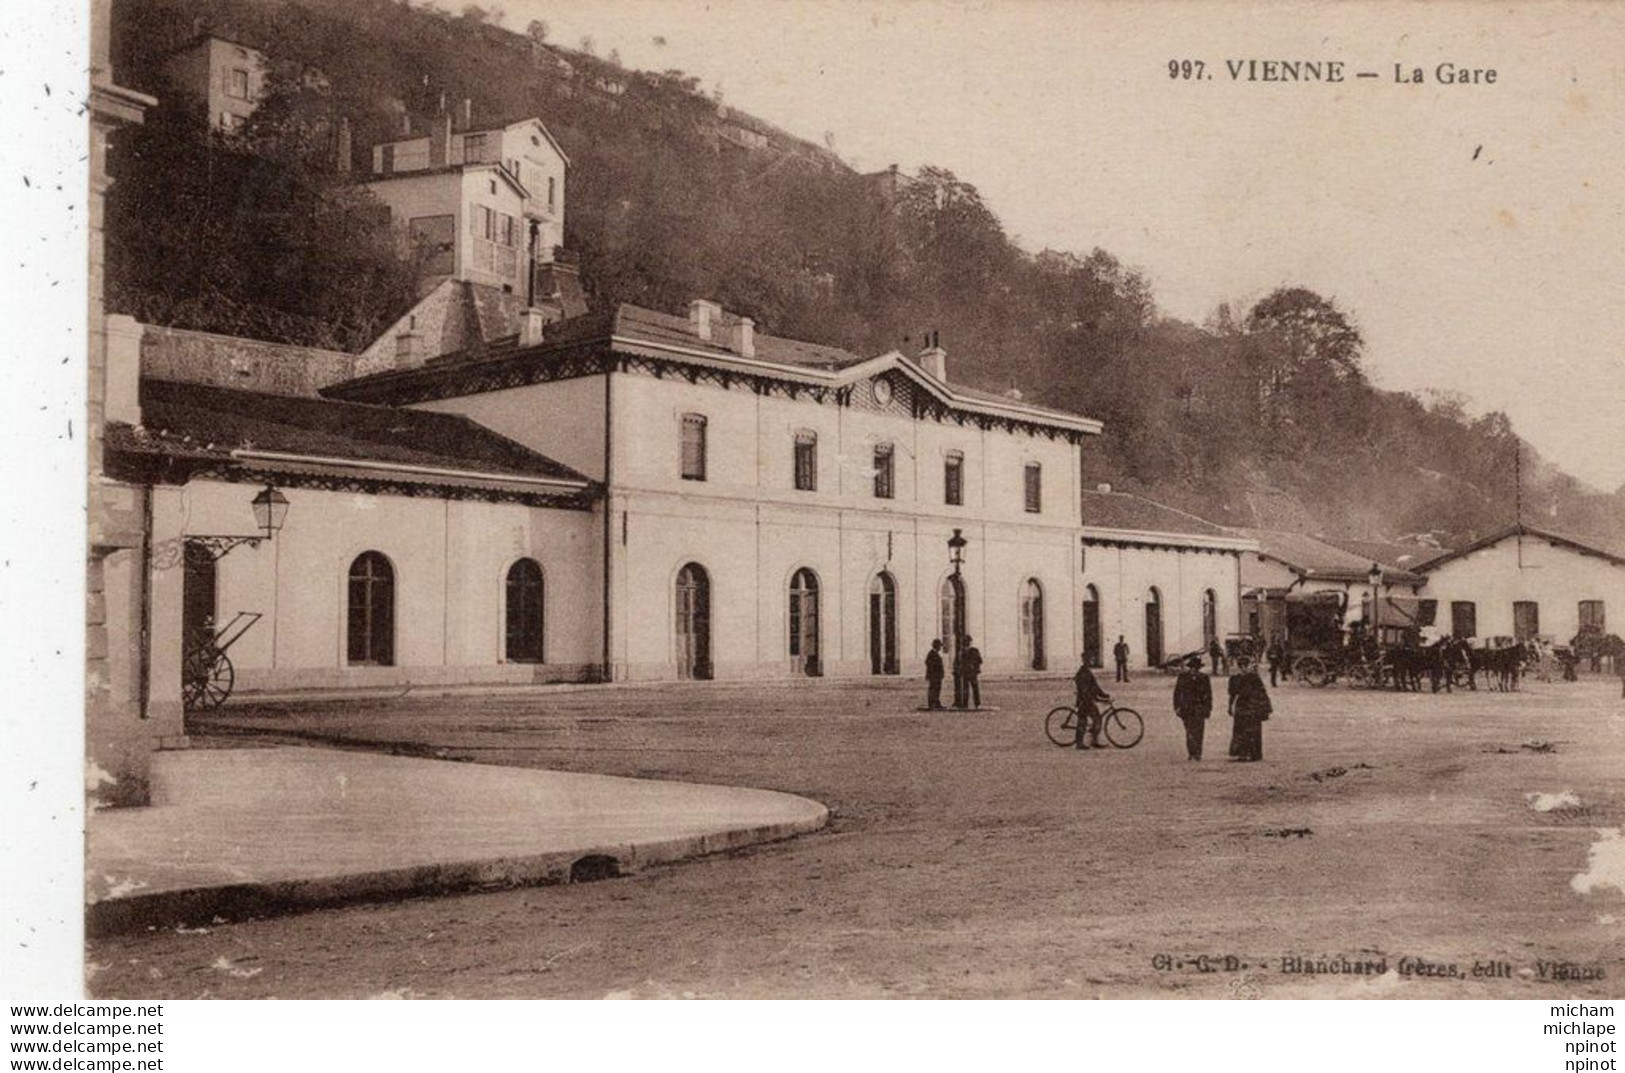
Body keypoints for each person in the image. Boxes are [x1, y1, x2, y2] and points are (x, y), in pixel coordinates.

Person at [1227, 655, 1272, 762]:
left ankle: (1254, 753)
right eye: (1241, 666)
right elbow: (1232, 694)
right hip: (1241, 705)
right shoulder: (1234, 679)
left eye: (1245, 665)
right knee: (1240, 729)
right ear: (1239, 667)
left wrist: (1264, 707)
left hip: (1253, 705)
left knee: (1253, 729)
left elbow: (1262, 692)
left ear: (1248, 666)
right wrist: (1229, 706)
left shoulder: (1254, 677)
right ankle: (1241, 753)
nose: (1243, 668)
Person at [1173, 654, 1212, 760]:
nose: (1194, 670)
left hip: (1199, 707)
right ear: (1190, 667)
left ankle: (1198, 752)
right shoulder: (1183, 677)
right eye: (1193, 667)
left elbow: (1208, 695)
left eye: (1196, 668)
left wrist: (1208, 709)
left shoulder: (1204, 678)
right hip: (1186, 707)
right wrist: (1177, 707)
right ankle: (1191, 752)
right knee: (1189, 730)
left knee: (1199, 730)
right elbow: (1177, 693)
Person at [1073, 653, 1113, 750]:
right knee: (1084, 721)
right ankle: (1080, 743)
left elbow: (1095, 686)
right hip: (1084, 700)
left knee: (1096, 719)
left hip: (1088, 700)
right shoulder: (1082, 673)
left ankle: (1093, 740)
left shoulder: (1087, 671)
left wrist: (1103, 694)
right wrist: (1095, 697)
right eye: (1091, 659)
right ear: (1086, 660)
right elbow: (1084, 689)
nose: (1092, 661)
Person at [960, 636, 983, 709]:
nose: (966, 644)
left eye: (967, 642)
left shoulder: (974, 650)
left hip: (972, 672)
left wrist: (973, 664)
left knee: (975, 688)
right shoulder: (963, 652)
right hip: (966, 672)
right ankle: (965, 704)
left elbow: (980, 660)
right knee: (966, 688)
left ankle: (977, 703)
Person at [924, 639, 946, 709]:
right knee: (933, 689)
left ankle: (936, 702)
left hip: (937, 675)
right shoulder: (931, 653)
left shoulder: (935, 653)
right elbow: (928, 663)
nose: (940, 648)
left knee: (937, 689)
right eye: (939, 646)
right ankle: (932, 703)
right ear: (936, 646)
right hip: (934, 675)